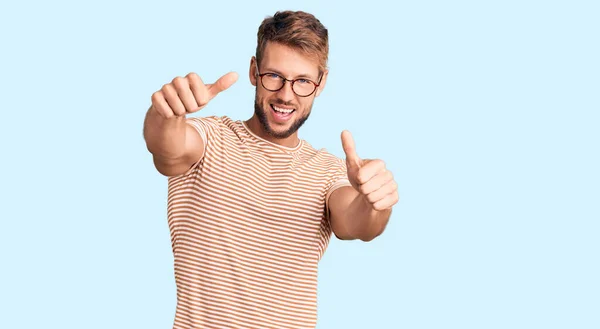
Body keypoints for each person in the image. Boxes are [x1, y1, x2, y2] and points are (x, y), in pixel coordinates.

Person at [143, 10, 399, 329]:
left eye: (303, 81)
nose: (286, 94)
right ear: (254, 71)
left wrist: (375, 204)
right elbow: (167, 149)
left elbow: (358, 223)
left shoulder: (328, 171)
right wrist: (164, 114)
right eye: (274, 76)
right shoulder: (209, 139)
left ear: (321, 83)